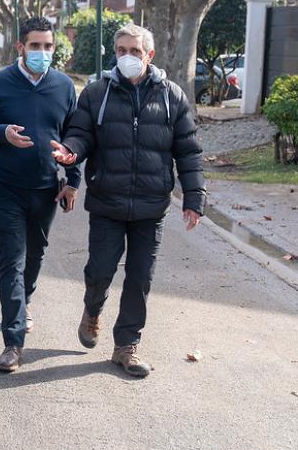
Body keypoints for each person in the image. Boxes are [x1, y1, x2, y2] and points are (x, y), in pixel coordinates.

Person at [51, 23, 205, 377]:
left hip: (152, 206)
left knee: (140, 277)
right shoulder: (96, 93)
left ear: (149, 55)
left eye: (135, 52)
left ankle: (126, 346)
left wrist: (193, 198)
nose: (127, 57)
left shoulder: (171, 96)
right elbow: (79, 134)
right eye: (121, 51)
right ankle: (92, 310)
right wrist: (70, 153)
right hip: (107, 202)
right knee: (100, 271)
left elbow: (189, 151)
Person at [0, 17, 81, 372]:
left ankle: (24, 303)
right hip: (5, 187)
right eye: (35, 46)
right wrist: (2, 133)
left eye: (48, 46)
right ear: (20, 47)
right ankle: (13, 341)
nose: (42, 52)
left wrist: (73, 180)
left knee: (35, 255)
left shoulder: (64, 86)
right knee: (12, 259)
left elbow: (75, 138)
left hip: (46, 189)